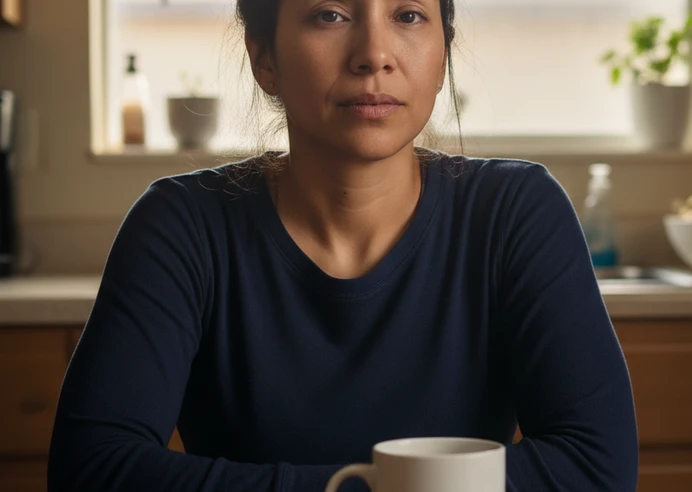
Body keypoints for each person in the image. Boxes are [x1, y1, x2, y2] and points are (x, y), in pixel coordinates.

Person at [48, 0, 638, 490]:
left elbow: (596, 465)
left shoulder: (515, 211)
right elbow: (93, 468)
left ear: (443, 59)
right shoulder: (182, 225)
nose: (374, 56)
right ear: (265, 59)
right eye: (329, 14)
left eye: (408, 15)